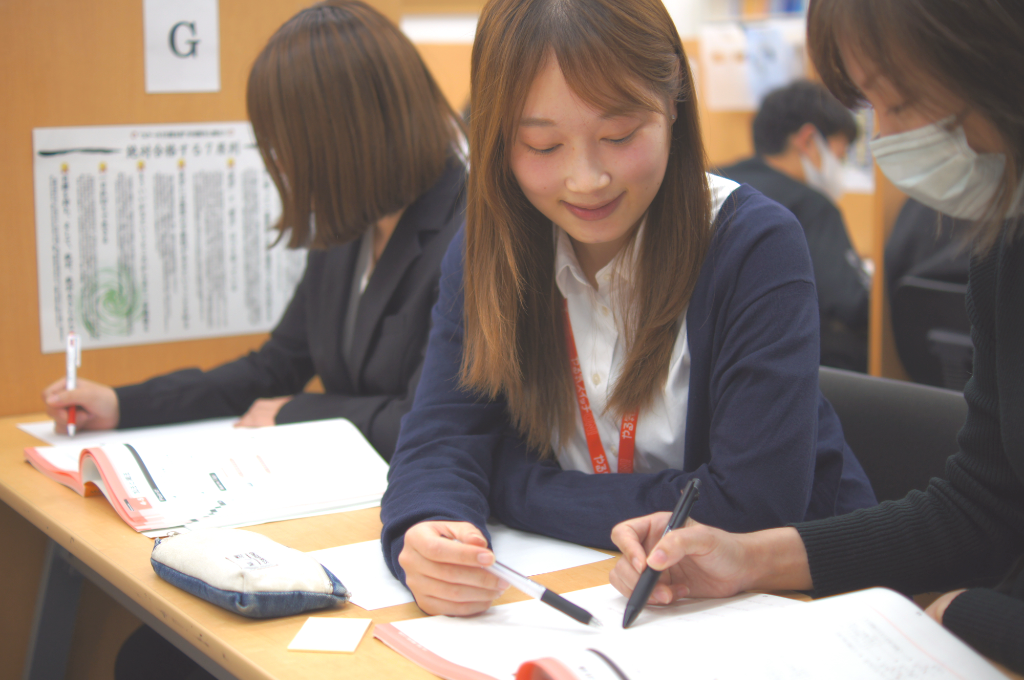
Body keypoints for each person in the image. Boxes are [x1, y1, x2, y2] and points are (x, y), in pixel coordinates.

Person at [379, 0, 875, 618]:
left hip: (786, 606)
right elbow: (441, 435)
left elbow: (746, 509)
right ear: (499, 140)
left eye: (618, 136)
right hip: (603, 589)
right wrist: (428, 529)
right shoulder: (489, 249)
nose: (586, 179)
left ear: (673, 104)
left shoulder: (753, 245)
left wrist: (506, 482)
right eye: (542, 144)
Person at [608, 0, 1024, 673]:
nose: (884, 140)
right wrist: (748, 559)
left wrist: (969, 616)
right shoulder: (1005, 230)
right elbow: (984, 502)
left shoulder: (755, 234)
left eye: (901, 101)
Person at [40, 0, 467, 462]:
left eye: (287, 143)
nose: (280, 162)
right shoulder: (351, 225)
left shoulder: (466, 232)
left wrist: (298, 413)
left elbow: (426, 418)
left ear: (346, 138)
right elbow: (274, 368)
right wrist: (124, 404)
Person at [718, 80, 870, 372]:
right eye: (840, 157)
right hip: (780, 362)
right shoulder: (811, 205)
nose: (841, 169)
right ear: (808, 141)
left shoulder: (716, 180)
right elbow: (851, 303)